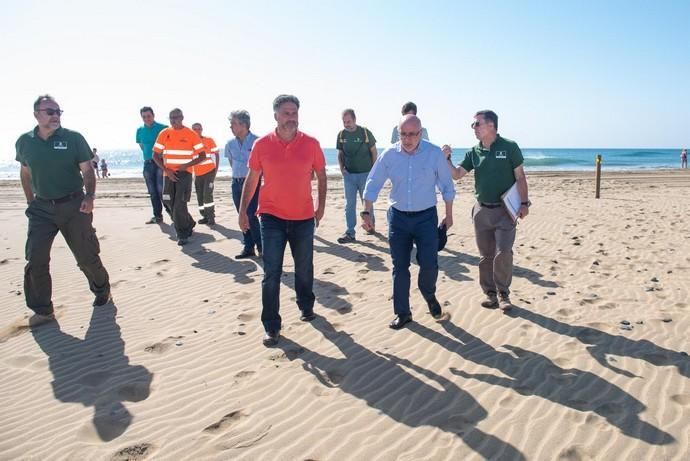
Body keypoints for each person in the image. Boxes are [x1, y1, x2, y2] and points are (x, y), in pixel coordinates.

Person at [239, 95, 327, 346]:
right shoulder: (262, 145)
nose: (291, 117)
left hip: (303, 217)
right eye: (286, 113)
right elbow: (253, 178)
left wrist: (320, 207)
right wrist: (243, 210)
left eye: (294, 113)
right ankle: (271, 325)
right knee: (271, 273)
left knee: (304, 268)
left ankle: (306, 305)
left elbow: (321, 175)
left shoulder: (311, 143)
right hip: (271, 217)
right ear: (276, 115)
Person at [15, 94, 112, 322]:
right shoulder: (25, 141)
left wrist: (90, 196)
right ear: (36, 114)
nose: (56, 116)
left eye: (58, 111)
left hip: (73, 206)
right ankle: (42, 309)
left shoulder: (73, 138)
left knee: (86, 256)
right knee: (36, 258)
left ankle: (102, 289)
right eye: (50, 111)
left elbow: (87, 170)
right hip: (41, 209)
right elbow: (25, 173)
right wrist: (30, 202)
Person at [361, 114, 455, 330]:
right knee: (399, 267)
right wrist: (366, 211)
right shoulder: (389, 155)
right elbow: (373, 183)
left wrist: (449, 214)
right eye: (403, 134)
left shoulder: (433, 154)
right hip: (398, 219)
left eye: (412, 134)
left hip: (426, 218)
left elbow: (446, 185)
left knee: (429, 264)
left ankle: (428, 294)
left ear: (420, 133)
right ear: (398, 133)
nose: (407, 139)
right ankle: (403, 313)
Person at [443, 110, 530, 311]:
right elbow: (457, 175)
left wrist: (524, 203)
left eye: (476, 124)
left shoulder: (509, 147)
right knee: (486, 256)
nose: (473, 128)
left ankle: (503, 294)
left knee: (504, 253)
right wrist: (447, 159)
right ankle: (490, 294)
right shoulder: (474, 152)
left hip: (505, 211)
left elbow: (520, 177)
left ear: (490, 125)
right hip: (482, 211)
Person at [152, 108, 207, 246]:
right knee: (168, 202)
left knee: (180, 204)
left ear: (182, 117)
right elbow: (155, 155)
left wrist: (187, 165)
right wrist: (167, 170)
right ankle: (189, 222)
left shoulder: (191, 134)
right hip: (168, 174)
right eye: (171, 117)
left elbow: (202, 156)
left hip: (185, 174)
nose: (173, 120)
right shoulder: (164, 133)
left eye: (176, 117)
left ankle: (182, 234)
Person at [336, 108, 377, 244]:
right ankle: (350, 232)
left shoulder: (365, 132)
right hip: (349, 175)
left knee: (367, 202)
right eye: (344, 122)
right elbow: (340, 153)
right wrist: (342, 168)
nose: (346, 124)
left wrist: (373, 170)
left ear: (354, 120)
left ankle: (370, 226)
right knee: (349, 204)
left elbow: (373, 151)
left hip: (366, 174)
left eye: (348, 121)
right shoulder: (341, 135)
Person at [225, 110, 262, 258]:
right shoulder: (230, 144)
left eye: (233, 123)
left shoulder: (256, 142)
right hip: (236, 182)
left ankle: (262, 247)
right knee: (241, 215)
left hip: (252, 183)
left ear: (243, 124)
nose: (231, 127)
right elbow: (231, 162)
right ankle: (248, 247)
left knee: (251, 215)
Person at [136, 107, 168, 224]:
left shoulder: (163, 128)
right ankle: (157, 216)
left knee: (162, 190)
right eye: (144, 117)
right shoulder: (139, 130)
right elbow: (142, 146)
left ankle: (173, 213)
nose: (147, 119)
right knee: (152, 192)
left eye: (148, 116)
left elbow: (169, 145)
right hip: (148, 163)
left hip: (161, 162)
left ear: (153, 115)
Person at [191, 122, 219, 225]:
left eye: (199, 129)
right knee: (200, 196)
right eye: (195, 129)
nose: (197, 131)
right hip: (198, 174)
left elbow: (216, 154)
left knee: (208, 195)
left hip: (209, 172)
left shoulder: (208, 140)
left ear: (202, 129)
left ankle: (211, 217)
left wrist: (216, 170)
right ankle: (204, 216)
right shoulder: (190, 143)